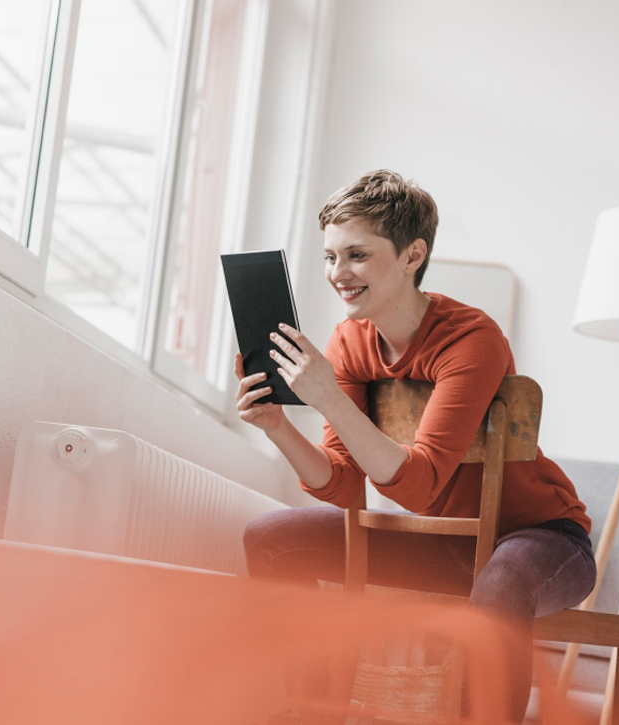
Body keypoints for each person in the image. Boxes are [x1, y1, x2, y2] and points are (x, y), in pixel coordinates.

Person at [237, 169, 596, 721]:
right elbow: (344, 484)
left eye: (357, 254)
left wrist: (330, 400)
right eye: (330, 256)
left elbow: (422, 484)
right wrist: (278, 427)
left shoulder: (472, 338)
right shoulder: (349, 341)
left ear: (412, 255)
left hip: (538, 539)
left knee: (500, 584)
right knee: (269, 538)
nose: (339, 273)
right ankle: (312, 708)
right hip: (438, 544)